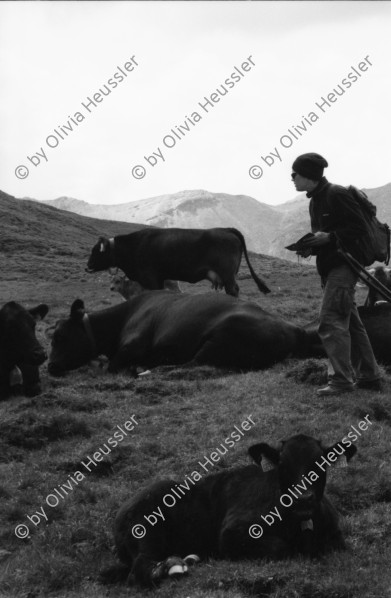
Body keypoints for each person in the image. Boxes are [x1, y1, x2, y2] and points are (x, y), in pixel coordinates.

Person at [291, 152, 382, 396]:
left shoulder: (336, 194)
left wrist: (330, 237)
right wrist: (311, 245)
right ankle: (370, 376)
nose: (292, 179)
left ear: (309, 175)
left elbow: (359, 228)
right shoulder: (315, 200)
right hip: (331, 266)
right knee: (351, 323)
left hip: (345, 266)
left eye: (295, 174)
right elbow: (328, 233)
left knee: (331, 321)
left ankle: (341, 381)